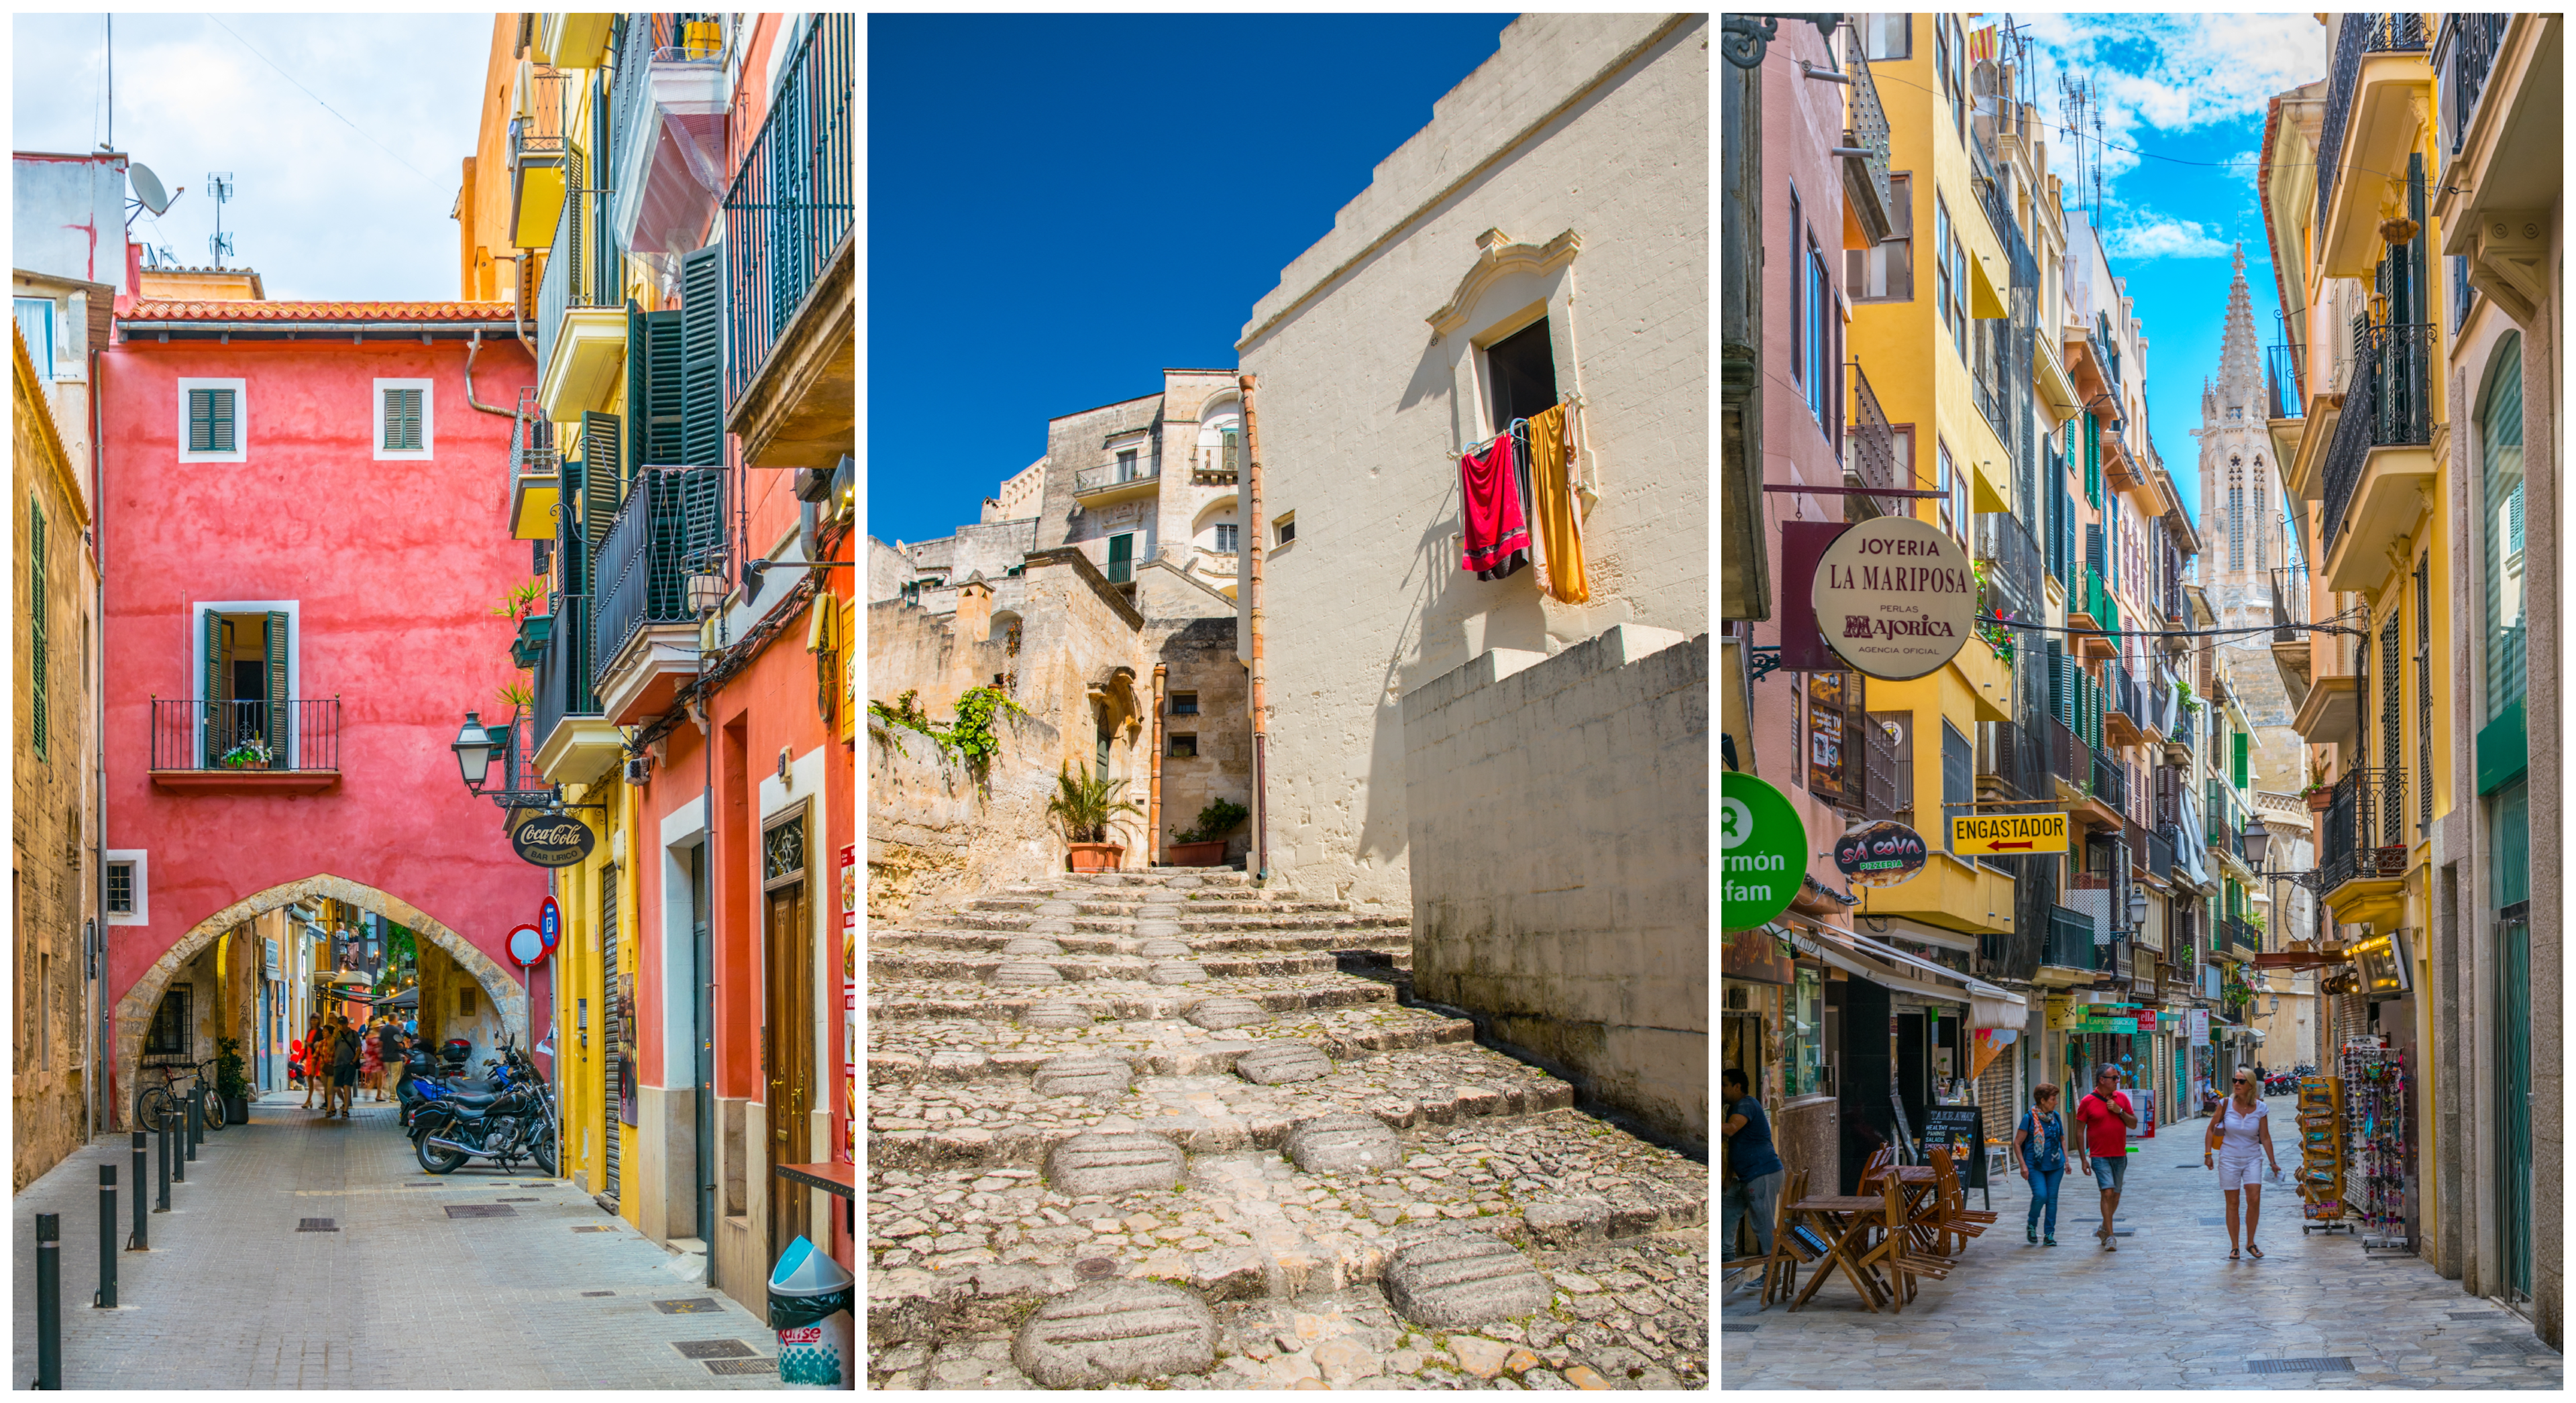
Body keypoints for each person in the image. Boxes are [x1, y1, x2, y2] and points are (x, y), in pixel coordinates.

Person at [2204, 1067, 2283, 1259]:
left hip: (2252, 1158)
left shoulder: (2261, 1108)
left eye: (2241, 1081)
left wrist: (2273, 1162)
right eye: (2235, 1080)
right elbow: (2210, 1130)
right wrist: (2208, 1154)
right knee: (2233, 1202)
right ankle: (2234, 1246)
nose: (2236, 1084)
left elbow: (2264, 1137)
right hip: (2229, 1158)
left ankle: (2251, 1242)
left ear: (2250, 1086)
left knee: (2254, 1199)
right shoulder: (2225, 1104)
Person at [1719, 1068, 1785, 1261]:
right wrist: (1728, 1178)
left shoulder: (1746, 1104)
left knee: (1763, 1224)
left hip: (1762, 1173)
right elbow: (1735, 1146)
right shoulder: (1735, 1107)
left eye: (1724, 1085)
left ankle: (1772, 1273)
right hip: (1744, 1176)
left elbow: (1731, 1130)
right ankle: (1726, 1252)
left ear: (1737, 1087)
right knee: (1728, 1208)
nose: (1720, 1090)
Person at [2072, 1065, 2139, 1251]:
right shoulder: (2087, 1101)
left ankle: (2103, 1227)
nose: (2118, 1081)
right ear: (2102, 1080)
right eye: (2114, 1078)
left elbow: (2134, 1124)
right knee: (2107, 1192)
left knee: (2116, 1195)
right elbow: (2079, 1131)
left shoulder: (2122, 1099)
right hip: (2099, 1155)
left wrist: (2119, 1111)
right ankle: (2110, 1236)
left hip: (2119, 1155)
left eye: (2117, 1077)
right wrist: (2083, 1158)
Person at [2011, 1082, 2068, 1246]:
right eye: (2053, 1099)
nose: (2056, 1102)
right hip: (2034, 1165)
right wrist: (2023, 1165)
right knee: (2041, 1195)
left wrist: (2067, 1160)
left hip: (2056, 1165)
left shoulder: (2055, 1117)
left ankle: (2049, 1234)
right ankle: (2031, 1223)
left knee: (2052, 1199)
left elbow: (2062, 1139)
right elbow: (2017, 1143)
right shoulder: (2029, 1118)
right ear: (2042, 1100)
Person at [330, 1019, 362, 1117]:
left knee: (346, 1086)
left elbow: (359, 1049)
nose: (342, 1026)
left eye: (344, 1024)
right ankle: (345, 1101)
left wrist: (354, 1060)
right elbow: (330, 1047)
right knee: (336, 1087)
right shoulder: (337, 1034)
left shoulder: (354, 1034)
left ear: (347, 1024)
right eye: (340, 1024)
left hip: (349, 1064)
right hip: (338, 1064)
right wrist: (334, 1035)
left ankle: (346, 1110)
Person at [304, 1021, 333, 1112]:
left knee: (330, 1088)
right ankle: (331, 1107)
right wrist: (312, 1067)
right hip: (324, 1068)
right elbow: (315, 1056)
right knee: (327, 1087)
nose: (323, 1033)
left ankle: (330, 1108)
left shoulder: (335, 1043)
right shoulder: (322, 1043)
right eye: (323, 1031)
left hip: (333, 1069)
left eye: (325, 1031)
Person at [360, 1017, 386, 1101]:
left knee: (374, 1078)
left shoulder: (369, 1036)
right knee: (380, 1078)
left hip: (372, 1059)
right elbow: (380, 1047)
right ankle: (379, 1095)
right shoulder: (377, 1037)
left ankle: (367, 1091)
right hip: (378, 1059)